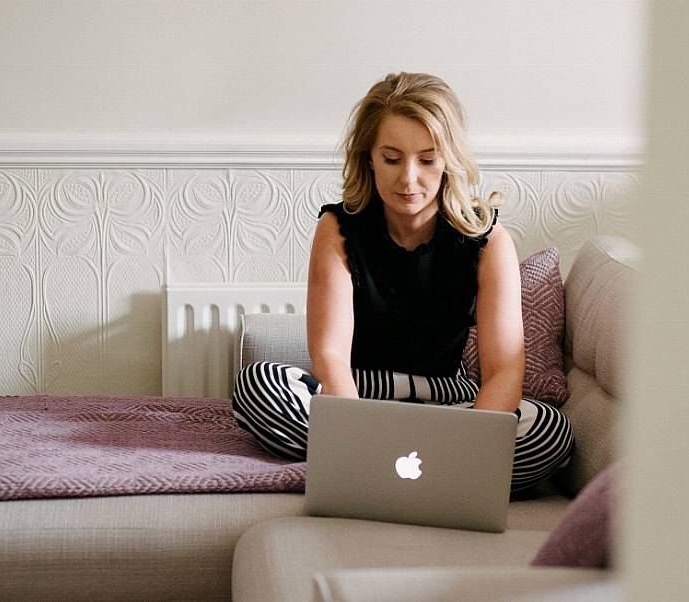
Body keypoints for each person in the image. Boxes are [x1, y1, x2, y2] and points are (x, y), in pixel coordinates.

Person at [231, 72, 573, 492]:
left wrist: (470, 440)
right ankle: (425, 475)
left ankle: (375, 469)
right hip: (359, 394)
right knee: (258, 385)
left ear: (448, 159)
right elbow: (331, 357)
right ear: (369, 158)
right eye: (392, 159)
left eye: (427, 160)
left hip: (450, 402)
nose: (408, 179)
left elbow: (504, 370)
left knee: (551, 432)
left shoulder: (490, 242)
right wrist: (357, 427)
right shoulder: (337, 229)